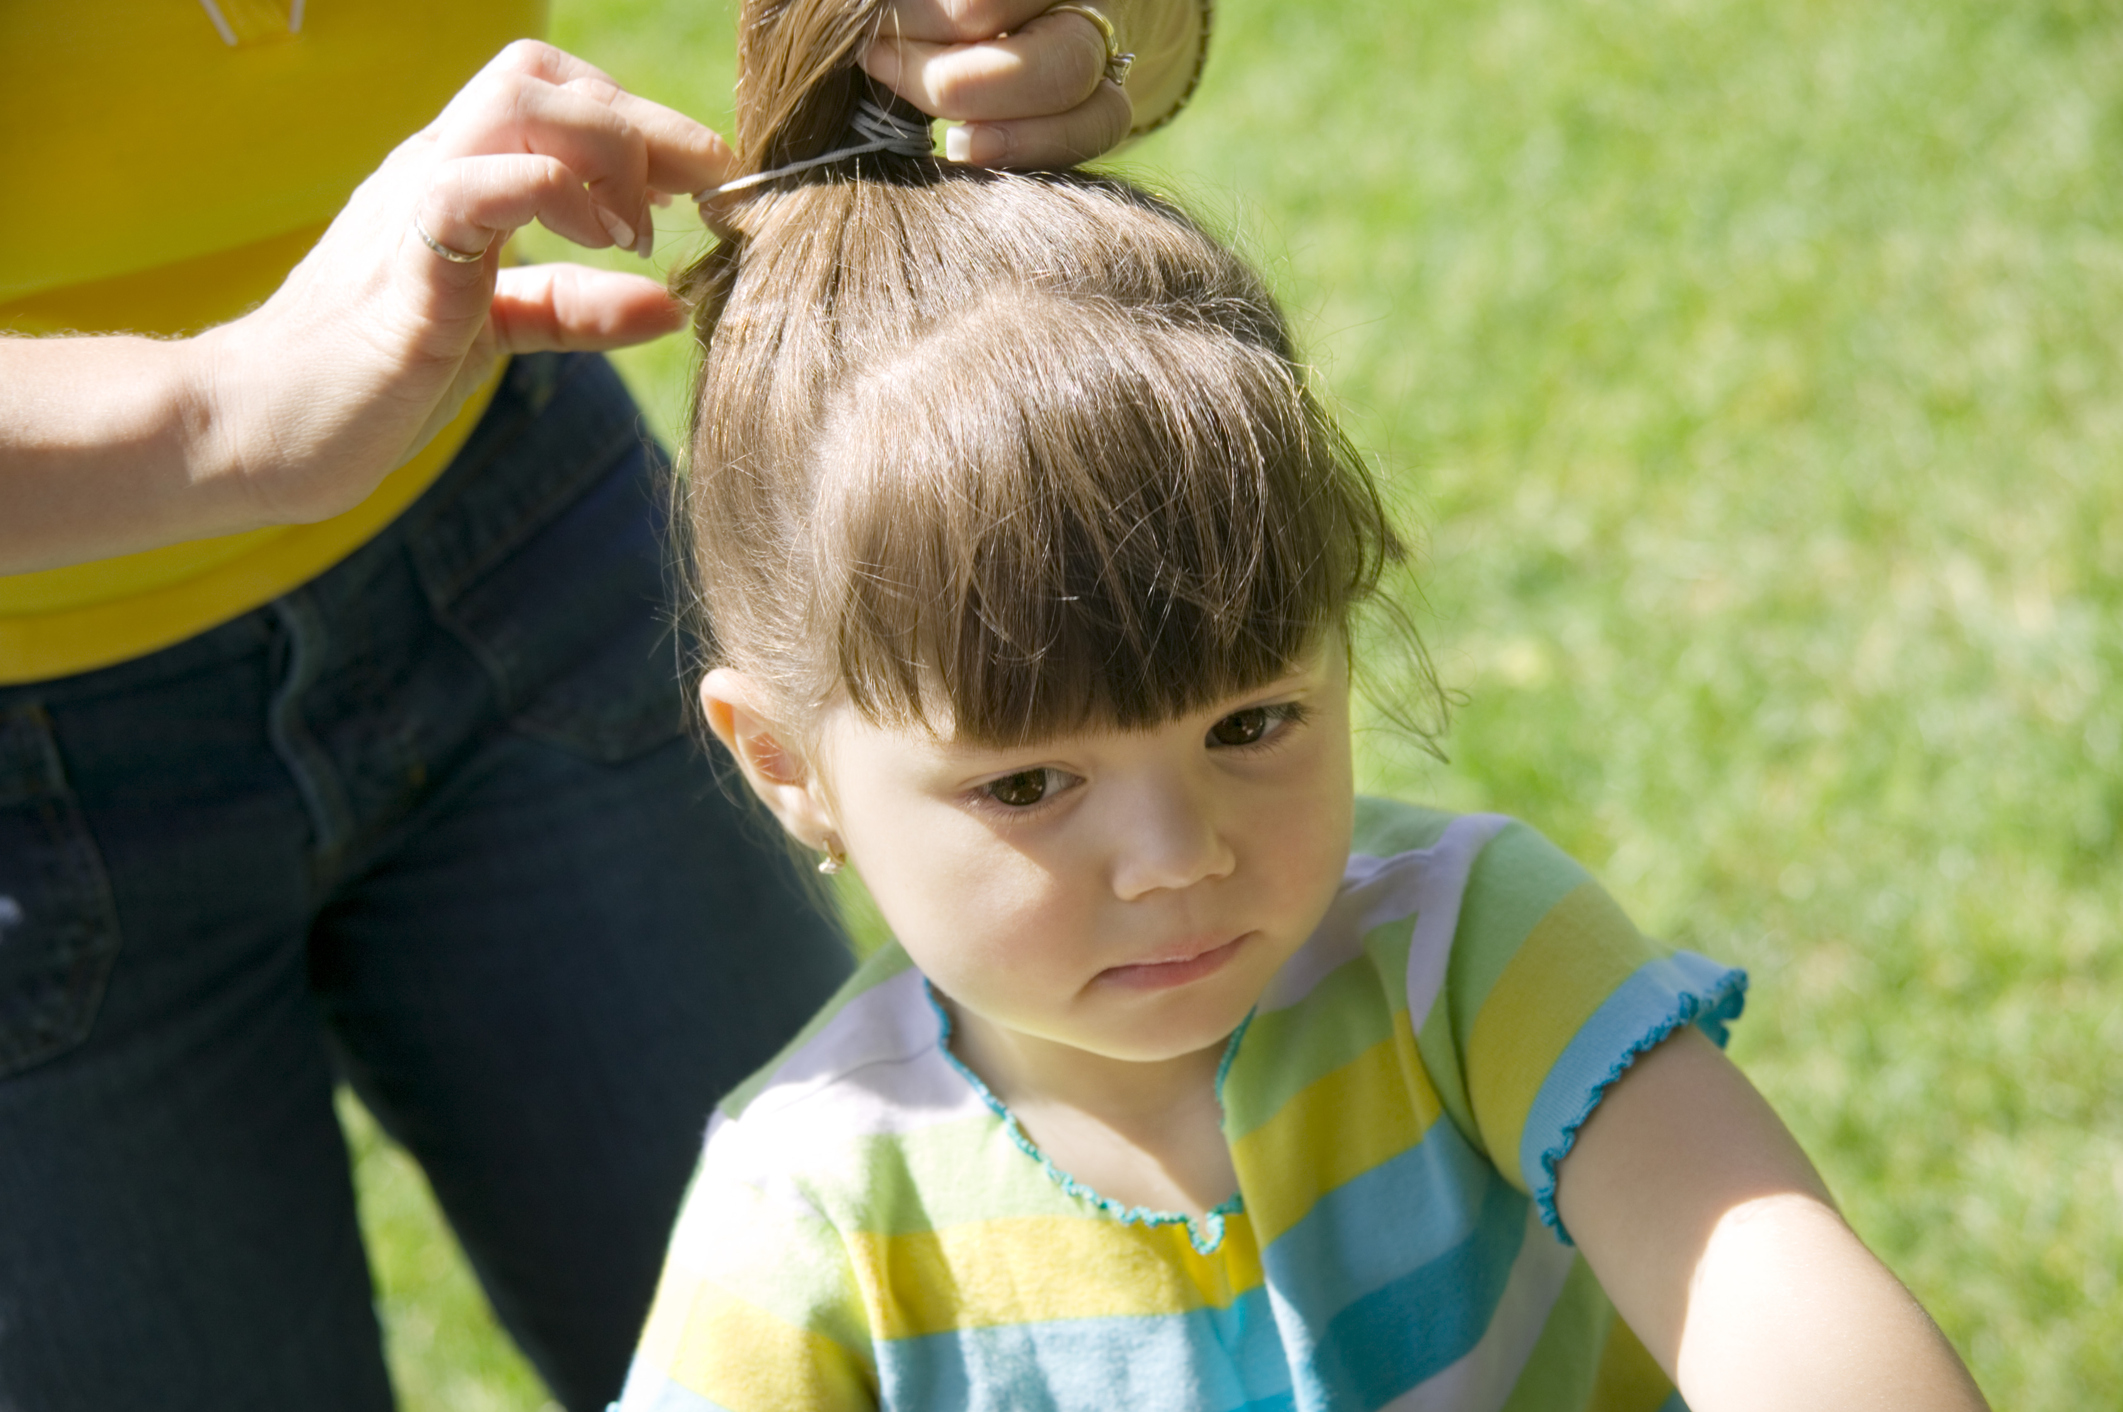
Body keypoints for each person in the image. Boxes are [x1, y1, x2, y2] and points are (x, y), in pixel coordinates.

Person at [608, 2, 1995, 1408]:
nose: (1181, 856)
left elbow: (1774, 1288)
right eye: (1029, 785)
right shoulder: (810, 1213)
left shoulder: (1462, 953)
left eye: (1251, 725)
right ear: (790, 765)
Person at [0, 3, 1207, 1410]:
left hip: (520, 525)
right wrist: (213, 410)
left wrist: (1083, 41)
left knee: (888, 1343)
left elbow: (1106, 34)